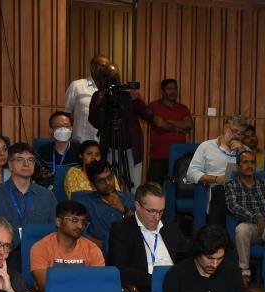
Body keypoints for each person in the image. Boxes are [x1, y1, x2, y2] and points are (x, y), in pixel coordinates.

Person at [108, 182, 187, 292]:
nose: (157, 217)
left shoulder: (171, 228)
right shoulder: (122, 229)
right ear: (137, 206)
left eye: (161, 211)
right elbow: (120, 269)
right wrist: (158, 281)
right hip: (148, 289)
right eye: (152, 211)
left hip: (177, 287)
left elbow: (186, 258)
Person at [88, 62, 154, 190]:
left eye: (115, 77)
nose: (113, 81)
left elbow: (148, 115)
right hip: (110, 147)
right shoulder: (99, 96)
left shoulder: (128, 94)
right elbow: (94, 122)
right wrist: (98, 104)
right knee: (110, 185)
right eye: (109, 77)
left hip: (131, 148)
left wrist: (137, 100)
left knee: (133, 187)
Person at [0, 142, 58, 238]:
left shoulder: (47, 196)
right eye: (20, 159)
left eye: (30, 159)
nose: (26, 164)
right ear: (10, 165)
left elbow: (55, 231)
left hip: (39, 246)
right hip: (4, 246)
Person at [186, 114, 249, 227]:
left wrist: (242, 152)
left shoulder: (245, 151)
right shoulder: (206, 147)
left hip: (241, 192)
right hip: (215, 190)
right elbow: (191, 173)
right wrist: (216, 179)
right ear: (225, 128)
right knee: (221, 191)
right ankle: (217, 233)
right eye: (235, 131)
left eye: (241, 134)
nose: (237, 136)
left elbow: (256, 174)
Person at [29, 200, 105, 290]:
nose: (80, 226)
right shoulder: (41, 248)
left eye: (83, 222)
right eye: (74, 220)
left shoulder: (93, 250)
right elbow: (47, 287)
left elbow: (98, 285)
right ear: (58, 221)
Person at [224, 149, 265, 278]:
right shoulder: (231, 185)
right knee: (242, 229)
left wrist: (264, 220)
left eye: (252, 162)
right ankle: (244, 271)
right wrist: (257, 218)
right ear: (238, 166)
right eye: (245, 162)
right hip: (251, 227)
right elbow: (233, 206)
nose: (249, 165)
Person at [146, 78, 193, 183]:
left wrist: (167, 121)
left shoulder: (183, 108)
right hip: (159, 156)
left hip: (179, 157)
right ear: (162, 91)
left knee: (178, 187)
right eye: (169, 89)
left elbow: (189, 124)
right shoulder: (154, 106)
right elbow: (159, 123)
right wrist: (178, 128)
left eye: (175, 89)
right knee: (154, 187)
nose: (173, 92)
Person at [81, 159, 134, 246]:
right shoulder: (86, 202)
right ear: (92, 185)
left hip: (127, 248)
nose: (108, 183)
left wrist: (123, 209)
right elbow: (79, 231)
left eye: (109, 177)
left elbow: (140, 227)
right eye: (101, 181)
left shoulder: (129, 198)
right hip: (97, 249)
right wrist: (103, 245)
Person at [64, 54, 111, 144]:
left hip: (104, 144)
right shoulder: (77, 86)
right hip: (80, 142)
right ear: (92, 68)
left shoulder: (111, 90)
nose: (106, 70)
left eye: (108, 67)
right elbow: (66, 114)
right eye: (103, 66)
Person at [33, 111, 80, 187]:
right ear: (51, 130)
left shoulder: (80, 150)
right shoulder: (43, 151)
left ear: (71, 129)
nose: (63, 129)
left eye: (66, 126)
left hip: (74, 189)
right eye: (58, 126)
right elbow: (36, 176)